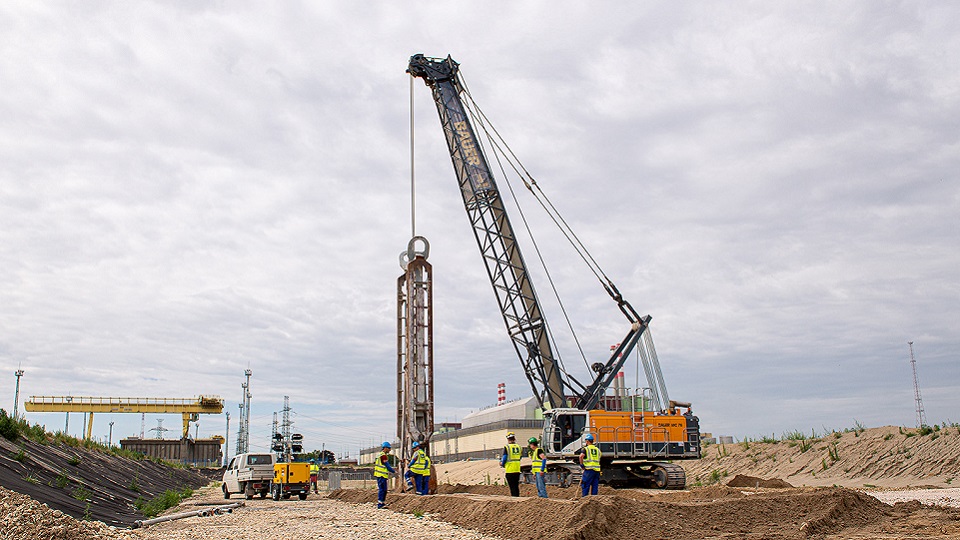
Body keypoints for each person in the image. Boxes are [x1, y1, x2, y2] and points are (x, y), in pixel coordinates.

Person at [373, 441, 395, 509]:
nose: (389, 450)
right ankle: (380, 504)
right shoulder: (383, 456)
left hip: (379, 475)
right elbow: (387, 466)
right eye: (389, 448)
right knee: (383, 490)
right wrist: (394, 471)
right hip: (381, 475)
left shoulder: (379, 455)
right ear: (385, 448)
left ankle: (381, 502)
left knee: (383, 489)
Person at [500, 432, 522, 497]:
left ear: (508, 439)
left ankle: (514, 499)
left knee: (512, 486)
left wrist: (502, 463)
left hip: (509, 469)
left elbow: (504, 458)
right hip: (517, 469)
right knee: (516, 485)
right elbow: (520, 457)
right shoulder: (519, 447)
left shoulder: (507, 447)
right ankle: (517, 497)